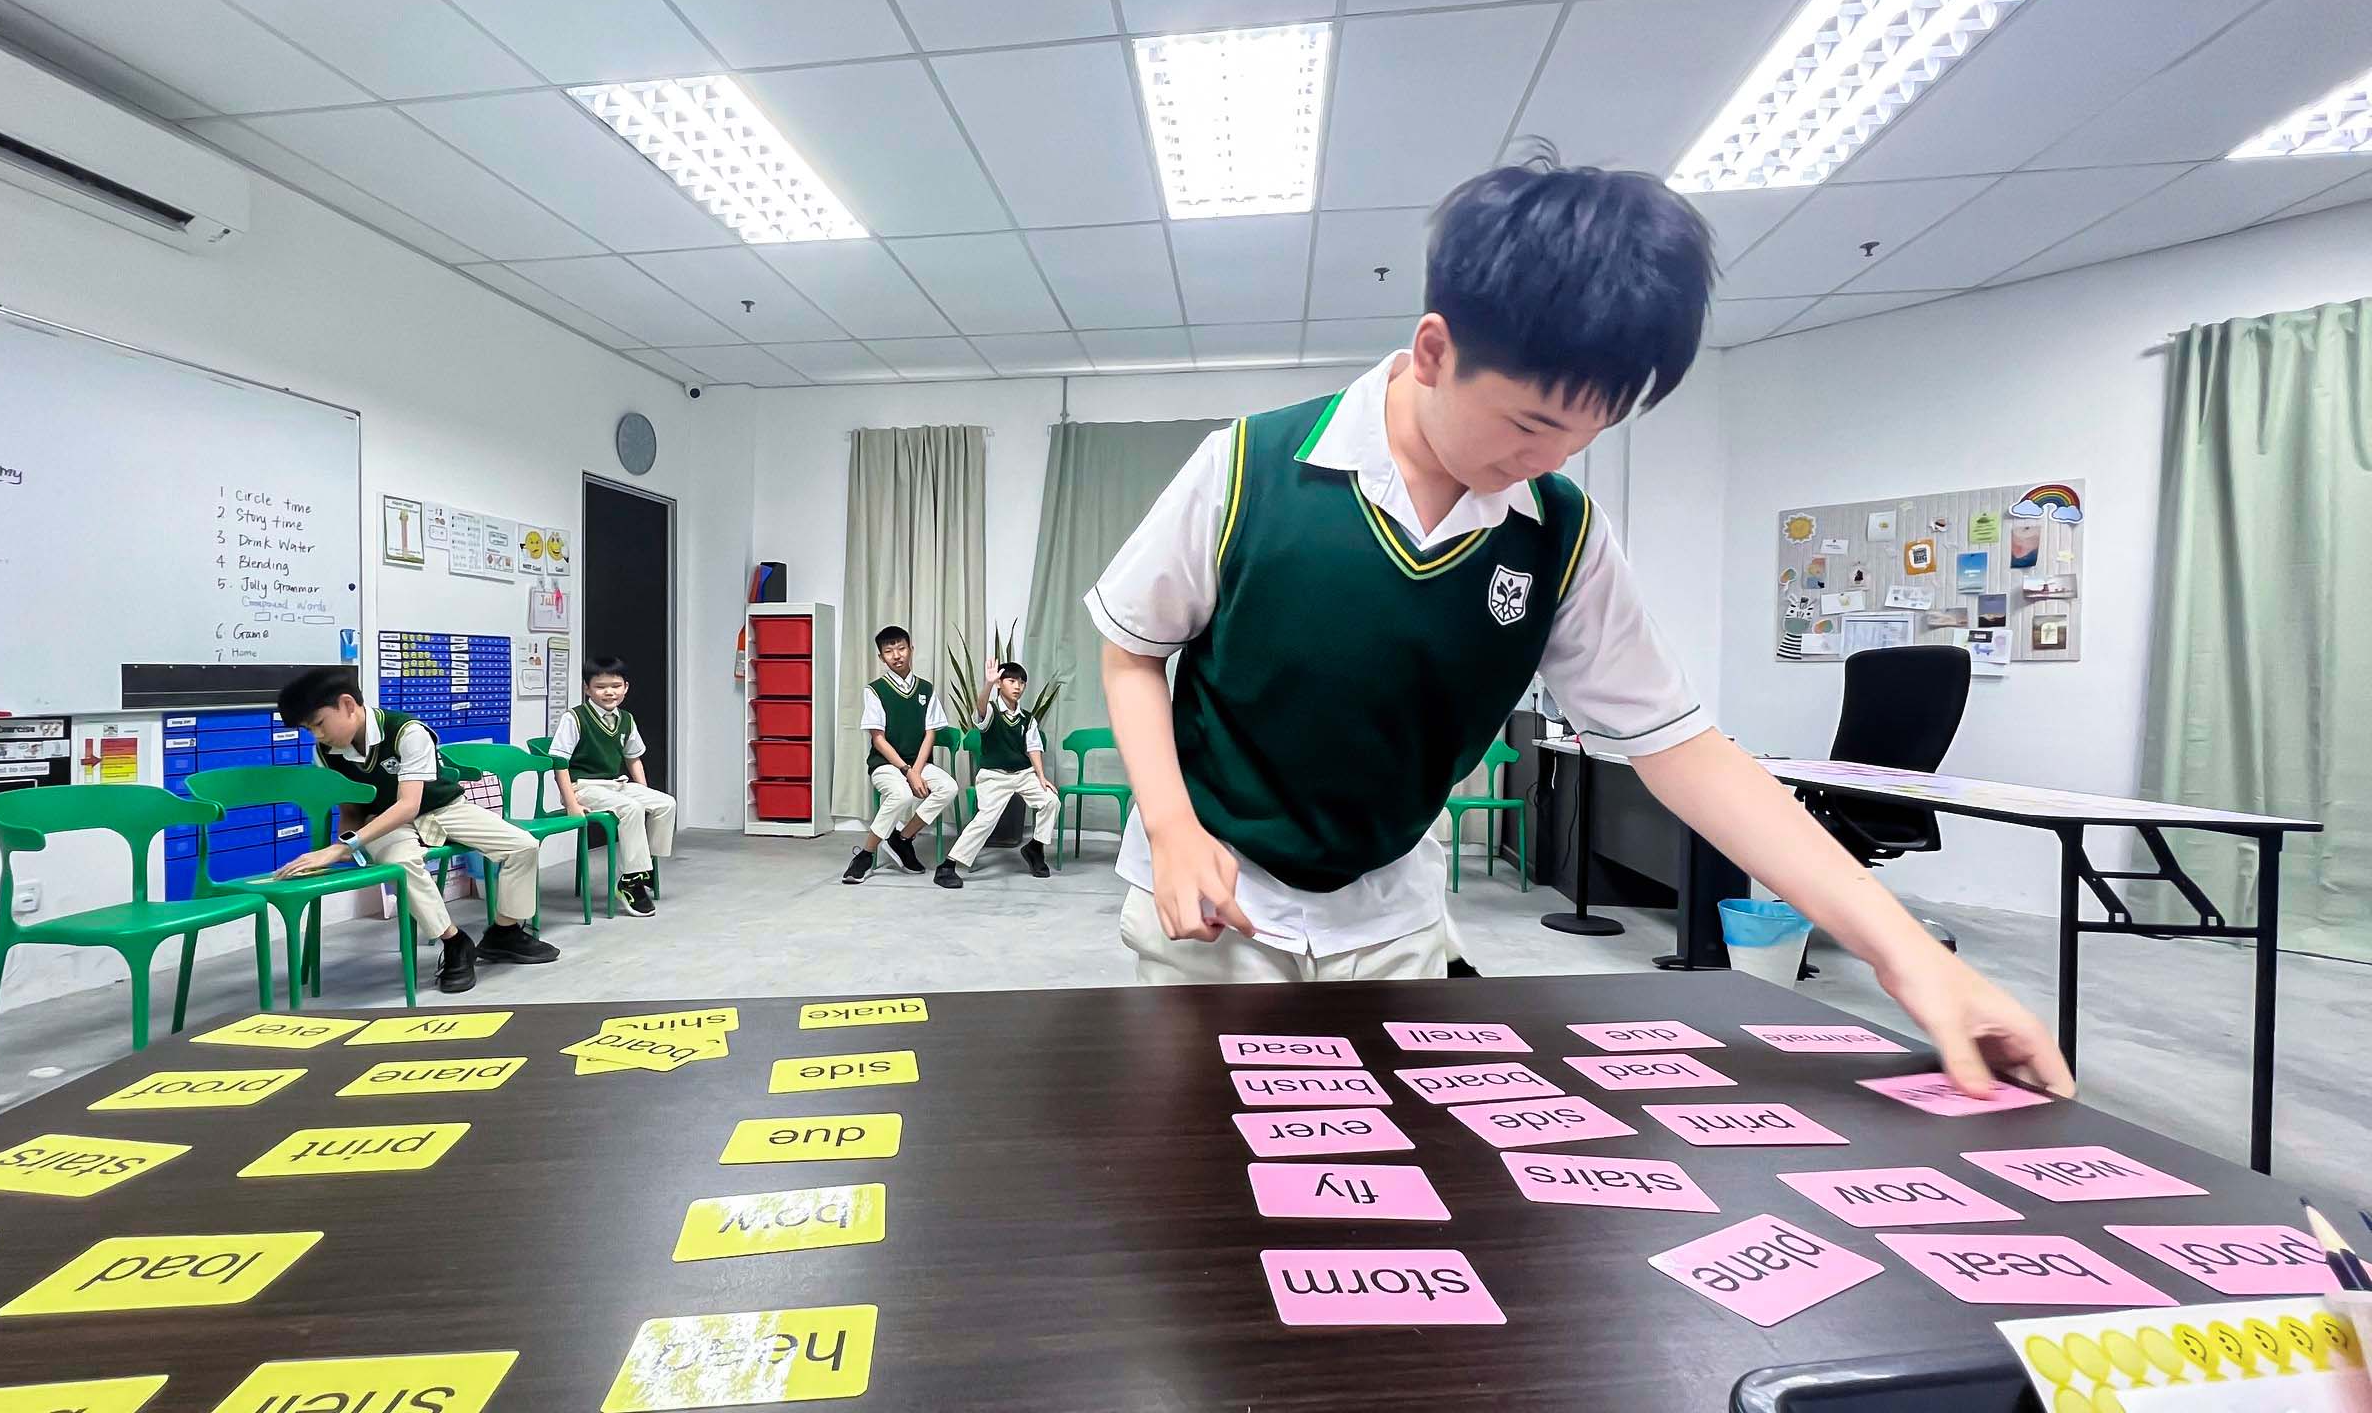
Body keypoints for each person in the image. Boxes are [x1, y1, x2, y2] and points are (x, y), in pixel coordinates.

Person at [1085, 160, 2071, 1098]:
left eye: (1583, 435)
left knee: (1384, 1170)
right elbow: (1132, 650)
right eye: (1526, 424)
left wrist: (1908, 960)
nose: (1547, 459)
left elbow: (1684, 750)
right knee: (1201, 1166)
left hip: (1391, 910)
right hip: (1213, 897)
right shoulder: (1248, 469)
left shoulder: (1558, 532)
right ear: (1434, 351)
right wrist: (1171, 828)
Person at [271, 668, 556, 993]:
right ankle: (454, 942)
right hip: (382, 820)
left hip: (442, 807)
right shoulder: (325, 753)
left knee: (523, 845)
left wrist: (343, 847)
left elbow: (409, 804)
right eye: (309, 729)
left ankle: (504, 933)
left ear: (348, 704)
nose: (317, 735)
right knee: (401, 864)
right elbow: (350, 807)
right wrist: (346, 849)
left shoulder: (408, 732)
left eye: (319, 724)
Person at [550, 655, 676, 918]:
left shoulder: (626, 719)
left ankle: (643, 867)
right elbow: (559, 763)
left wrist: (644, 792)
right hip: (582, 787)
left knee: (666, 803)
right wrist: (571, 804)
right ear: (587, 689)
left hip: (614, 785)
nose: (609, 692)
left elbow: (633, 758)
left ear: (626, 687)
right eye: (600, 686)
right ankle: (630, 881)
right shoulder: (575, 718)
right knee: (630, 809)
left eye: (616, 686)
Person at [842, 625, 957, 886]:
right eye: (889, 651)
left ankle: (902, 839)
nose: (896, 655)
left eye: (901, 648)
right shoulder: (875, 690)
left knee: (949, 787)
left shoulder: (926, 689)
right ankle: (866, 854)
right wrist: (907, 771)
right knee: (902, 793)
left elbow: (930, 734)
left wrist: (916, 770)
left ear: (911, 650)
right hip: (886, 765)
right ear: (881, 657)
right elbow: (878, 739)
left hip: (918, 764)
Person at [937, 661, 1060, 888]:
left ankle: (1035, 849)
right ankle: (948, 866)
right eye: (1011, 681)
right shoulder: (991, 711)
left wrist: (1041, 777)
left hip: (1024, 774)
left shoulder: (1027, 718)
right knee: (986, 819)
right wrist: (988, 684)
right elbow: (980, 709)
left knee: (1051, 801)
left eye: (1021, 682)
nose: (1017, 686)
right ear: (1000, 684)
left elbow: (1033, 748)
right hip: (994, 776)